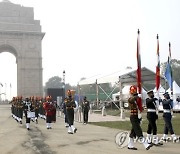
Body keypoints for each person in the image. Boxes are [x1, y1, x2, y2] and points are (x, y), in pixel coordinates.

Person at [127, 85, 153, 150]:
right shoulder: (130, 99)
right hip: (133, 117)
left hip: (137, 117)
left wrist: (140, 116)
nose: (135, 95)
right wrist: (137, 96)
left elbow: (139, 109)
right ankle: (146, 144)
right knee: (138, 130)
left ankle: (130, 145)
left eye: (136, 94)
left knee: (133, 131)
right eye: (134, 94)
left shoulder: (136, 101)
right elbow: (132, 99)